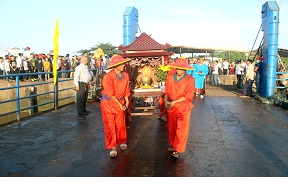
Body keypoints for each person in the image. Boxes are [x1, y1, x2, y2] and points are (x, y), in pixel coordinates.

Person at [164, 57, 195, 159]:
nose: (179, 70)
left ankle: (178, 149)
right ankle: (173, 144)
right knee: (171, 127)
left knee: (182, 129)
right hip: (171, 106)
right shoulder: (169, 77)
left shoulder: (190, 80)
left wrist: (175, 102)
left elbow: (188, 96)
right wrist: (166, 101)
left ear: (185, 69)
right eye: (177, 68)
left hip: (183, 107)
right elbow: (167, 90)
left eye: (181, 69)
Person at [100, 55, 131, 158]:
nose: (123, 66)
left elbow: (126, 89)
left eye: (123, 64)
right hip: (108, 103)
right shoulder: (108, 77)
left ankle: (122, 140)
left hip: (121, 101)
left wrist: (126, 101)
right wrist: (119, 104)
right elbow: (111, 94)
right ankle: (113, 147)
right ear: (115, 66)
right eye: (120, 64)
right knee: (110, 125)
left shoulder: (126, 75)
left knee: (120, 123)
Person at [74, 55, 92, 119]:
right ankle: (80, 113)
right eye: (84, 60)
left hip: (86, 83)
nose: (85, 62)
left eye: (86, 60)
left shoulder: (86, 67)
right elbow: (76, 76)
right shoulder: (79, 67)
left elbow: (88, 76)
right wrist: (77, 84)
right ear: (81, 60)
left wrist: (89, 83)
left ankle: (84, 110)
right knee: (80, 98)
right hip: (81, 83)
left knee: (85, 97)